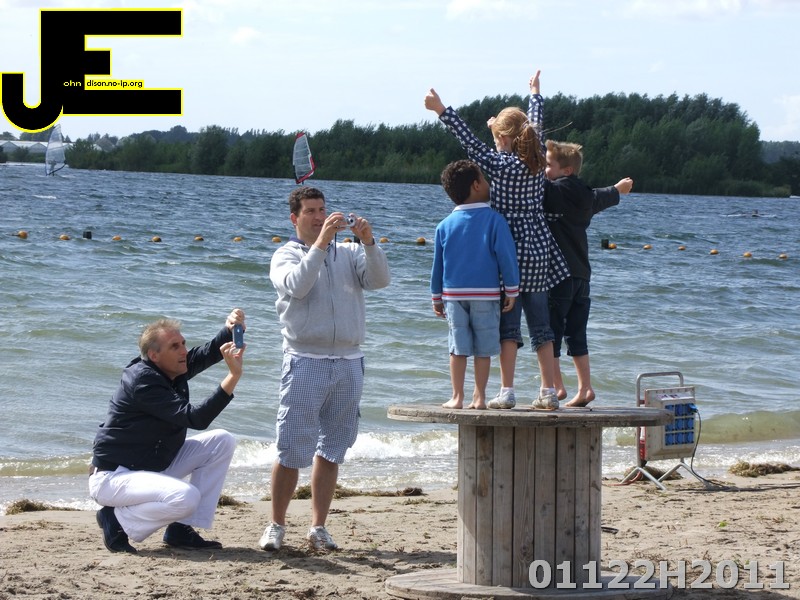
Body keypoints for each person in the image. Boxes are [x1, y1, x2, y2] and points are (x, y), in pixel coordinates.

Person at [425, 70, 569, 411]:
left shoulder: (500, 165)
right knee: (542, 326)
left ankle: (507, 390)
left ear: (503, 138)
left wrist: (441, 109)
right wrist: (535, 94)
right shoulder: (536, 160)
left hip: (508, 248)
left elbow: (469, 142)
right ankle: (548, 390)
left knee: (509, 326)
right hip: (538, 246)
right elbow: (534, 124)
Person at [260, 186, 390, 552]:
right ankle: (276, 524)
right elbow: (298, 287)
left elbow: (380, 281)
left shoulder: (348, 251)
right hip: (305, 359)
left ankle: (318, 527)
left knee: (332, 448)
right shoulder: (286, 254)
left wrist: (368, 242)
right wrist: (319, 245)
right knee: (290, 448)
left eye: (322, 210)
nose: (319, 217)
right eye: (311, 211)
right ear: (295, 218)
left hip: (349, 360)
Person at [89, 309, 246, 554]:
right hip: (114, 478)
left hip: (149, 467)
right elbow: (195, 418)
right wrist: (233, 376)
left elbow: (207, 353)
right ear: (154, 355)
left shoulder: (171, 369)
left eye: (183, 343)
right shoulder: (143, 381)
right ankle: (116, 521)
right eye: (175, 346)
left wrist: (230, 329)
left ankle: (181, 529)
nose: (184, 351)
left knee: (221, 441)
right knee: (186, 497)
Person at [543, 140, 633, 407]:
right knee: (576, 333)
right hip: (582, 275)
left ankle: (556, 386)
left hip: (558, 275)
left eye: (548, 165)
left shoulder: (553, 191)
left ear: (566, 171)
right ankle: (585, 388)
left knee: (550, 331)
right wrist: (617, 189)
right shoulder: (585, 195)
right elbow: (600, 196)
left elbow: (533, 184)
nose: (544, 170)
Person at [432, 160, 519, 410]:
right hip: (486, 295)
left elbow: (438, 266)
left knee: (457, 348)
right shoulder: (495, 220)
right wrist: (511, 290)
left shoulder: (444, 225)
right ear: (476, 185)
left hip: (453, 295)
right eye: (484, 178)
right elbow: (506, 258)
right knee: (484, 348)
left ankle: (457, 396)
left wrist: (436, 297)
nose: (488, 183)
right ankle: (479, 397)